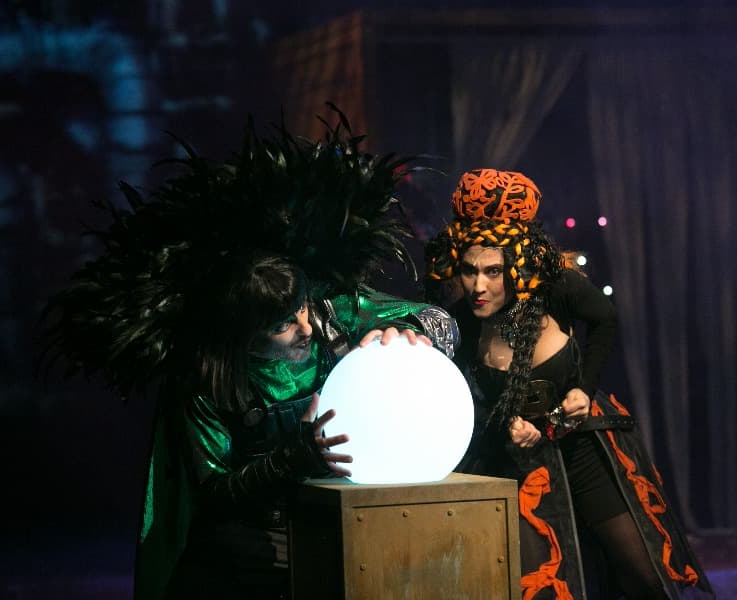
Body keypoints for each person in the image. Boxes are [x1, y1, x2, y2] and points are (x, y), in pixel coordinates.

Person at [41, 108, 458, 599]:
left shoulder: (328, 311)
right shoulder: (210, 383)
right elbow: (217, 493)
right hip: (248, 550)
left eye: (302, 309)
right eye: (283, 325)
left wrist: (405, 333)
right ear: (244, 335)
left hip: (340, 524)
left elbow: (437, 321)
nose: (305, 328)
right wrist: (295, 457)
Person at [425, 169, 714, 599]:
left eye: (493, 271)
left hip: (581, 446)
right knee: (541, 586)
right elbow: (463, 399)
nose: (479, 286)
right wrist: (503, 423)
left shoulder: (555, 288)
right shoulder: (462, 324)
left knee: (642, 572)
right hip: (521, 465)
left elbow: (606, 318)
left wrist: (584, 386)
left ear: (517, 266)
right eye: (469, 271)